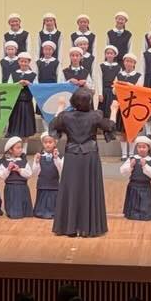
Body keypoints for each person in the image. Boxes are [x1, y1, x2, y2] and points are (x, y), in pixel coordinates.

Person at [48, 89, 116, 237]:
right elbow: (110, 126)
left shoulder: (65, 116)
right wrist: (114, 110)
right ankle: (88, 227)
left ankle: (70, 227)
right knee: (89, 188)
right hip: (89, 156)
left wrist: (60, 106)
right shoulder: (96, 115)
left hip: (72, 155)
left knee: (71, 188)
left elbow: (52, 125)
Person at [119, 135, 151, 221]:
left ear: (148, 148)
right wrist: (130, 166)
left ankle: (145, 215)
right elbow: (122, 172)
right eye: (139, 147)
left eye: (144, 147)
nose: (141, 149)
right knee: (133, 207)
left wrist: (145, 166)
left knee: (145, 208)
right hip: (133, 186)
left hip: (145, 187)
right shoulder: (132, 159)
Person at [0, 136, 34, 218]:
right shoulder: (5, 162)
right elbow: (2, 176)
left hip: (22, 188)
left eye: (21, 147)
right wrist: (8, 169)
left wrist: (19, 170)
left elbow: (29, 174)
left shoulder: (24, 161)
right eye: (18, 148)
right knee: (14, 211)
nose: (20, 150)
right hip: (11, 188)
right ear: (10, 150)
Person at [30, 134, 62, 219]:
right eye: (45, 142)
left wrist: (56, 158)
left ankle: (54, 212)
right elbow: (35, 173)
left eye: (50, 142)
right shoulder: (39, 157)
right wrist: (37, 162)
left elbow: (61, 170)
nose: (48, 144)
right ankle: (40, 211)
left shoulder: (59, 157)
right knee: (42, 199)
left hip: (53, 184)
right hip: (42, 184)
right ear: (42, 143)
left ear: (55, 143)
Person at [9, 54, 38, 139]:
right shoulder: (13, 74)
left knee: (26, 126)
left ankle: (25, 146)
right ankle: (16, 144)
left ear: (29, 62)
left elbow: (36, 87)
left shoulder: (33, 75)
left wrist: (29, 84)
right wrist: (18, 84)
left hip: (27, 103)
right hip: (16, 103)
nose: (23, 63)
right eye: (21, 61)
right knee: (15, 125)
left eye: (25, 61)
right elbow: (9, 86)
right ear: (18, 61)